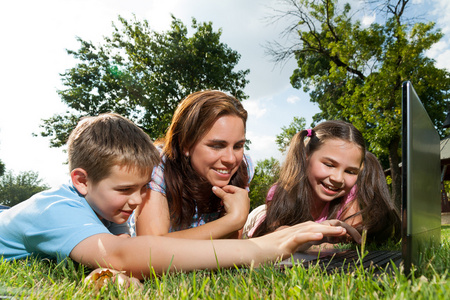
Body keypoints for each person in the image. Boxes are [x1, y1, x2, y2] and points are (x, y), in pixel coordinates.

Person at [0, 113, 360, 280]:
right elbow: (123, 253)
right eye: (125, 190)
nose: (139, 200)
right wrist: (257, 249)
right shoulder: (56, 206)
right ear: (81, 180)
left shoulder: (107, 212)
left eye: (143, 188)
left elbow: (128, 258)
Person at [243, 120, 399, 244]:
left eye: (350, 171)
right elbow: (274, 236)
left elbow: (351, 236)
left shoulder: (351, 193)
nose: (338, 179)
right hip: (259, 216)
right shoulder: (282, 191)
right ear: (306, 156)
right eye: (329, 165)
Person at [135, 90, 254, 239]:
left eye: (238, 146)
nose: (231, 159)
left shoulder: (243, 167)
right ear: (185, 144)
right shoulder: (158, 164)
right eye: (217, 146)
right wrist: (232, 220)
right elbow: (150, 249)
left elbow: (227, 251)